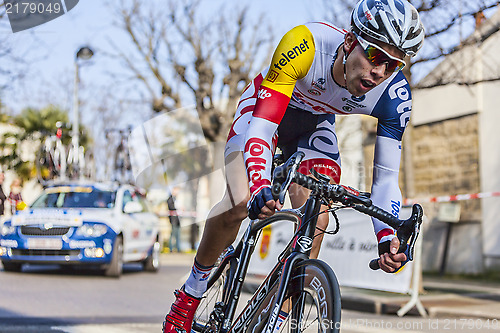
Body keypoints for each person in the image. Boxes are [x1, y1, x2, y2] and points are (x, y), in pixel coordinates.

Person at [163, 0, 424, 331]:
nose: (380, 73)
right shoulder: (305, 45)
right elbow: (262, 127)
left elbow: (386, 180)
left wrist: (387, 235)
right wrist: (260, 184)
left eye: (393, 65)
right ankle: (190, 294)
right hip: (266, 112)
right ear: (349, 40)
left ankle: (276, 315)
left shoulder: (394, 95)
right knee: (240, 200)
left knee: (318, 215)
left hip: (313, 127)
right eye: (375, 56)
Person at [167, 188, 181, 253]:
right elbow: (172, 208)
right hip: (173, 220)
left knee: (177, 235)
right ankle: (171, 248)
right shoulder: (170, 199)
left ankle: (177, 248)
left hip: (177, 220)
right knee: (173, 235)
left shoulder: (176, 199)